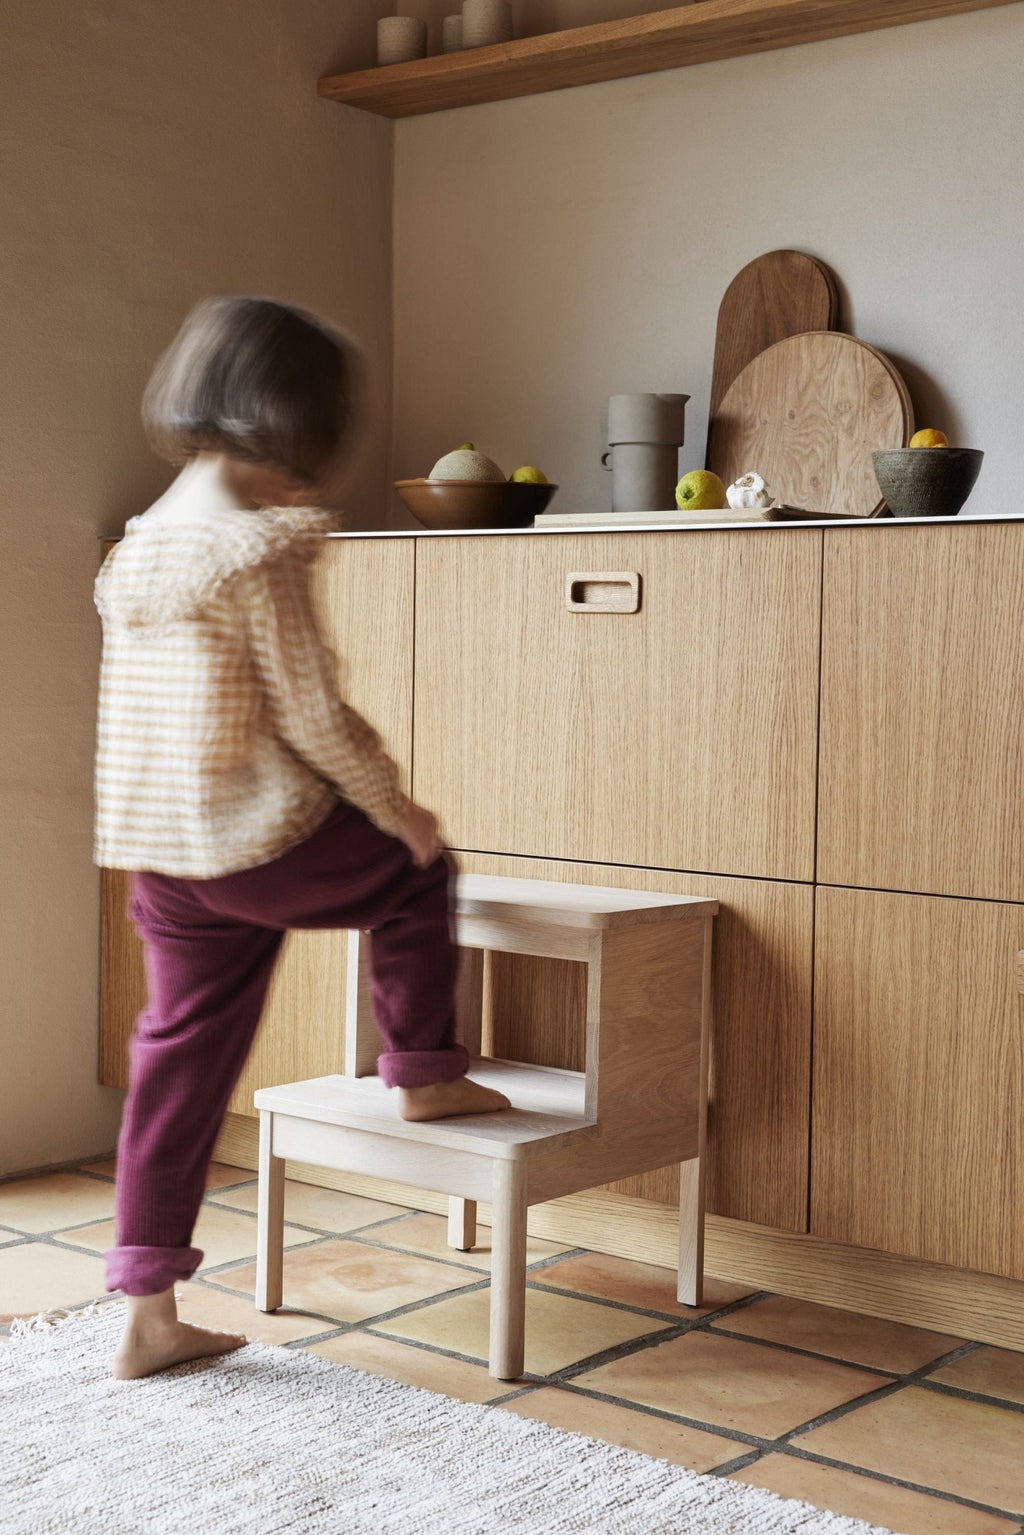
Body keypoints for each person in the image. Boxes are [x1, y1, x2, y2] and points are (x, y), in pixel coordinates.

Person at [93, 295, 509, 1381]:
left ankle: (148, 1312)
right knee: (420, 873)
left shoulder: (140, 546)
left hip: (164, 851)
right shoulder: (257, 546)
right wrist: (398, 807)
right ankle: (420, 1065)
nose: (313, 481)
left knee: (175, 1062)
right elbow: (314, 713)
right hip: (259, 833)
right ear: (285, 423)